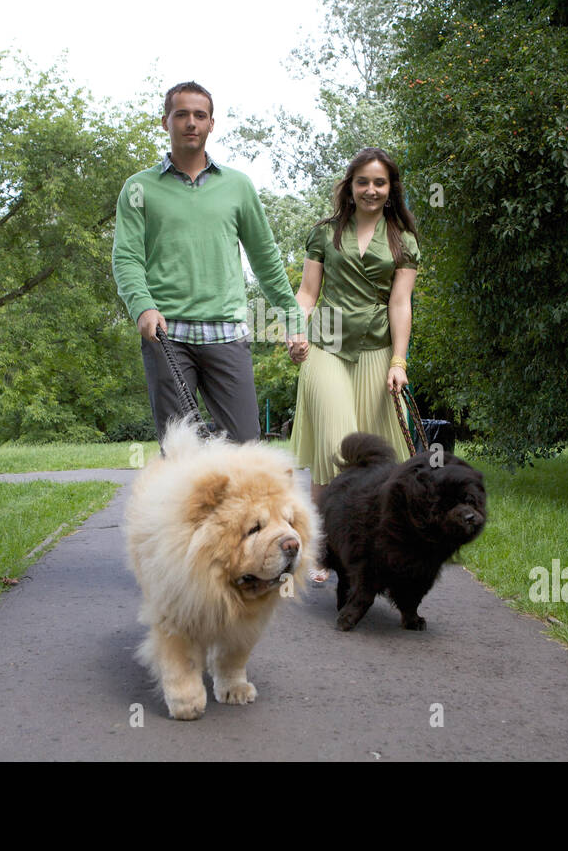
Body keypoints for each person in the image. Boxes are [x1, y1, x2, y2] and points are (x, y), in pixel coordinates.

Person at [112, 81, 306, 446]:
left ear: (211, 124)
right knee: (182, 453)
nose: (190, 122)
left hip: (226, 332)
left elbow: (265, 258)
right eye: (181, 114)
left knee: (246, 447)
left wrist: (292, 318)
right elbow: (126, 257)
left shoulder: (238, 186)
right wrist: (143, 306)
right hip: (167, 334)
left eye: (199, 115)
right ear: (165, 121)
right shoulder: (139, 189)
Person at [289, 147, 421, 529]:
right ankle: (324, 541)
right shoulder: (324, 233)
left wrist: (399, 361)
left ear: (391, 188)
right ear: (350, 187)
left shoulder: (404, 241)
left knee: (376, 455)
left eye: (379, 182)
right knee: (334, 447)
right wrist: (295, 333)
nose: (371, 190)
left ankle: (366, 544)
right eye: (362, 181)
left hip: (377, 350)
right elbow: (307, 294)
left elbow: (400, 304)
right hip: (325, 345)